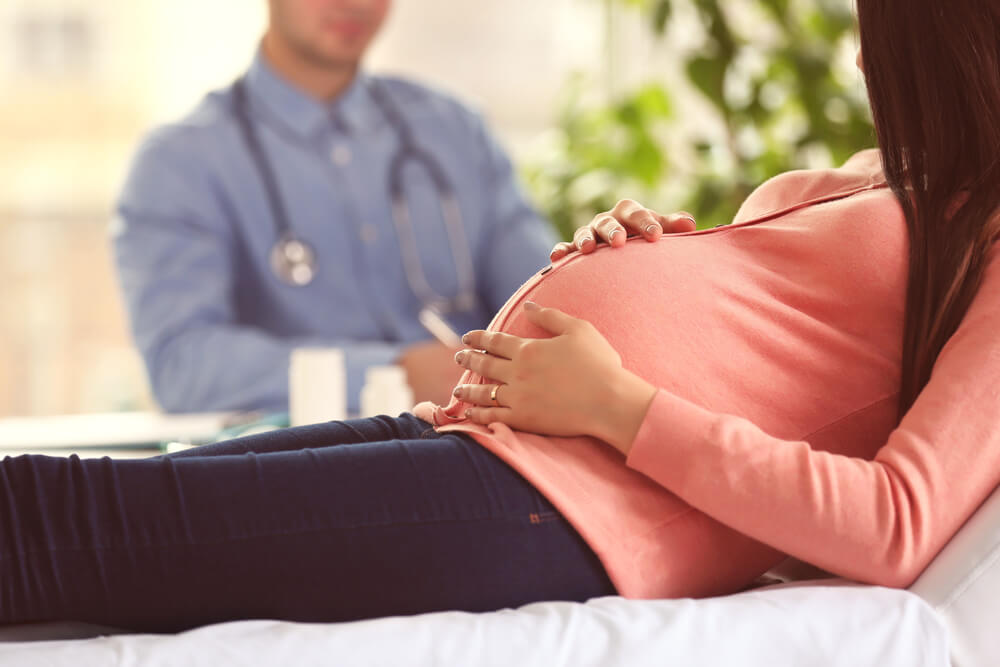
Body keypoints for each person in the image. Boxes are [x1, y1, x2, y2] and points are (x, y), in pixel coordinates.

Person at [3, 0, 999, 633]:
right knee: (69, 506)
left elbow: (893, 523)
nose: (865, 66)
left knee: (68, 527)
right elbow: (777, 349)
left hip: (563, 501)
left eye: (881, 36)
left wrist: (619, 405)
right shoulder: (879, 180)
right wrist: (657, 246)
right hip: (493, 443)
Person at [113, 0, 556, 414]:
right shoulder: (181, 163)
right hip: (303, 474)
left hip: (483, 452)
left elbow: (550, 306)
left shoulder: (457, 132)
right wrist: (391, 372)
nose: (355, 3)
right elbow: (182, 364)